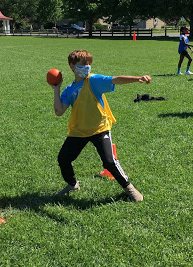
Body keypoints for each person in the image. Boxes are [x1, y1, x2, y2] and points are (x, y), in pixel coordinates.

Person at [50, 50, 150, 202]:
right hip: (79, 131)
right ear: (72, 66)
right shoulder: (69, 90)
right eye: (83, 64)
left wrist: (138, 78)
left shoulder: (93, 80)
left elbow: (115, 79)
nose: (87, 66)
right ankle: (72, 185)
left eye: (89, 63)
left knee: (109, 162)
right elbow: (59, 111)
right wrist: (56, 89)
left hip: (99, 128)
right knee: (63, 159)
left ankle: (129, 187)